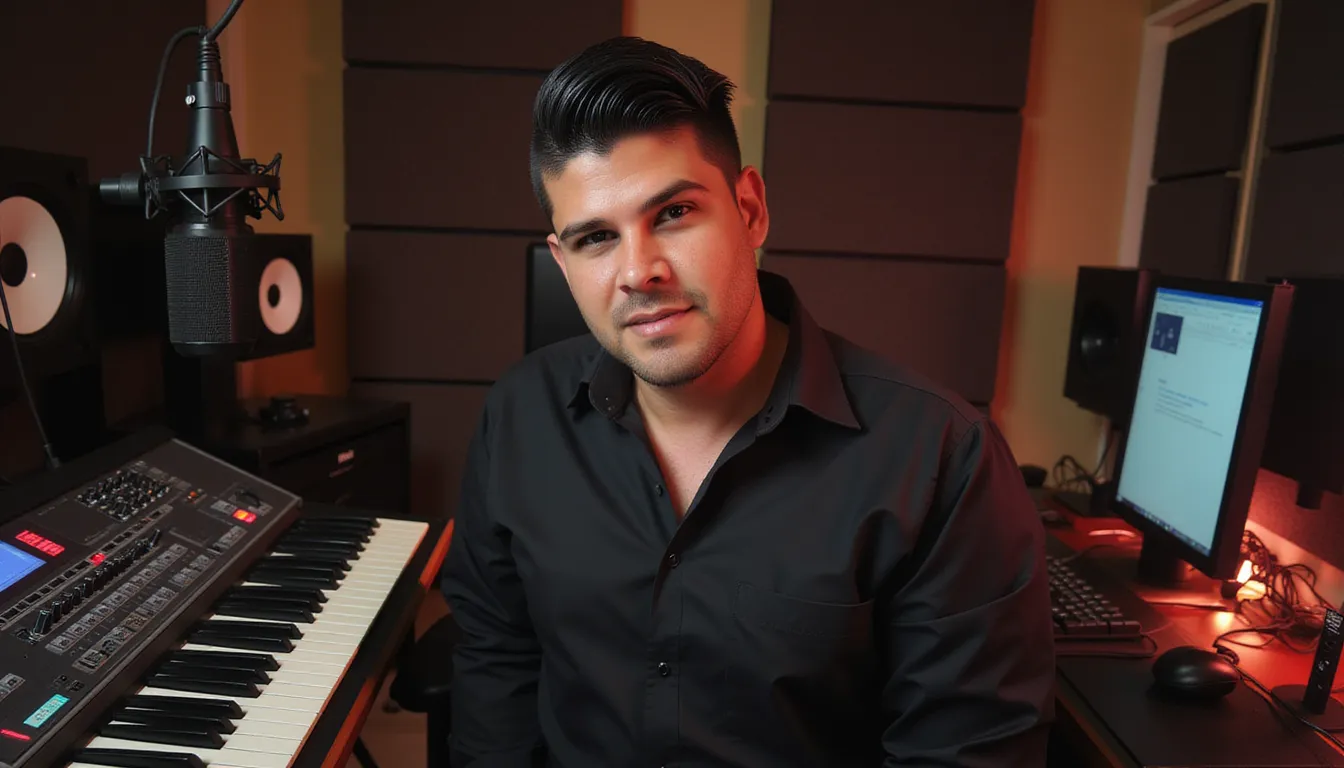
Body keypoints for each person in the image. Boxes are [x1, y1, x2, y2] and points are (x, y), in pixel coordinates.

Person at [441, 35, 1056, 768]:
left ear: (751, 209)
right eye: (597, 238)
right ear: (563, 261)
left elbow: (962, 753)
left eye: (674, 212)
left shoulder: (943, 460)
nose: (639, 271)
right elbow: (496, 664)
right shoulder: (519, 414)